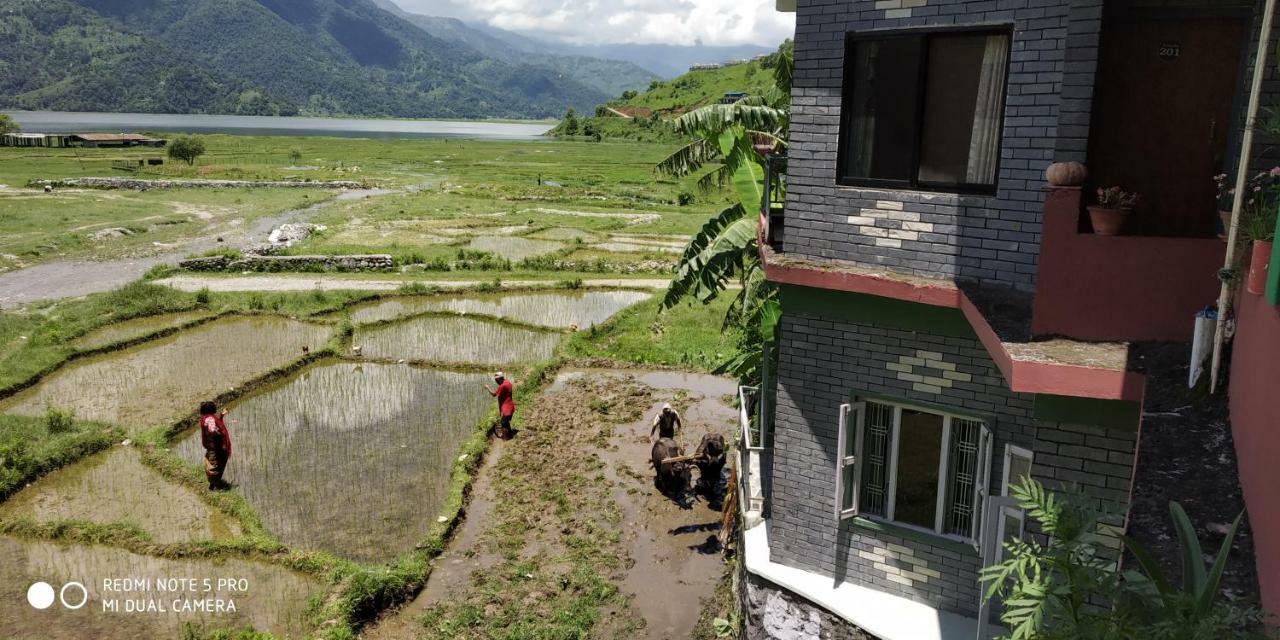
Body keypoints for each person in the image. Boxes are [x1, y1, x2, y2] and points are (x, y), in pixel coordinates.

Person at [199, 401, 232, 491]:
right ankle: (215, 485)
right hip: (217, 447)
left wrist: (221, 416)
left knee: (213, 463)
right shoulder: (209, 419)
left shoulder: (206, 418)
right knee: (216, 465)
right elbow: (213, 430)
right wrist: (219, 435)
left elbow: (214, 426)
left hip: (213, 446)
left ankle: (214, 484)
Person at [485, 371, 515, 439]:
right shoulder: (508, 382)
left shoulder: (502, 386)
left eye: (496, 380)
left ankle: (505, 439)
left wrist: (488, 387)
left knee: (503, 423)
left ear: (499, 379)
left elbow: (494, 394)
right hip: (510, 407)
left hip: (506, 409)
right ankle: (510, 435)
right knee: (506, 423)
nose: (496, 382)